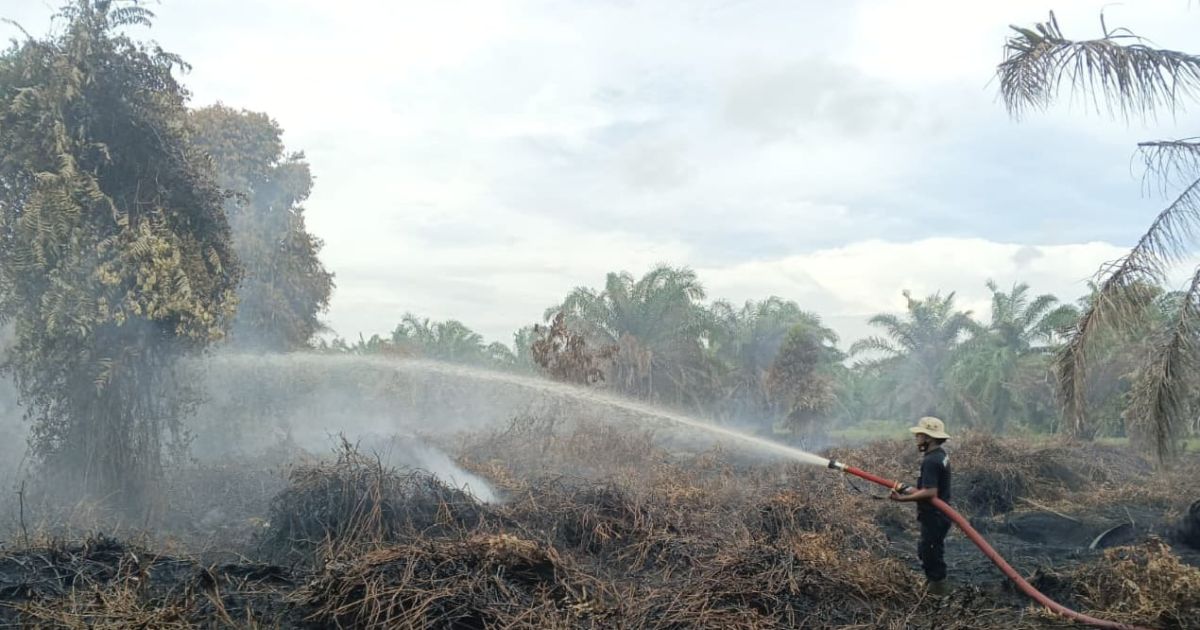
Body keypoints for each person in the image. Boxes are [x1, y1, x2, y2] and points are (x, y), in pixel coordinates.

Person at [889, 416, 952, 595]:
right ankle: (934, 586)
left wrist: (901, 500)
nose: (916, 438)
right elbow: (930, 489)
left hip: (935, 516)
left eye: (919, 435)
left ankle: (938, 592)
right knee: (930, 549)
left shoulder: (931, 461)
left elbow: (930, 492)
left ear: (928, 438)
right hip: (940, 514)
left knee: (930, 553)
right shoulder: (940, 455)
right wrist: (907, 489)